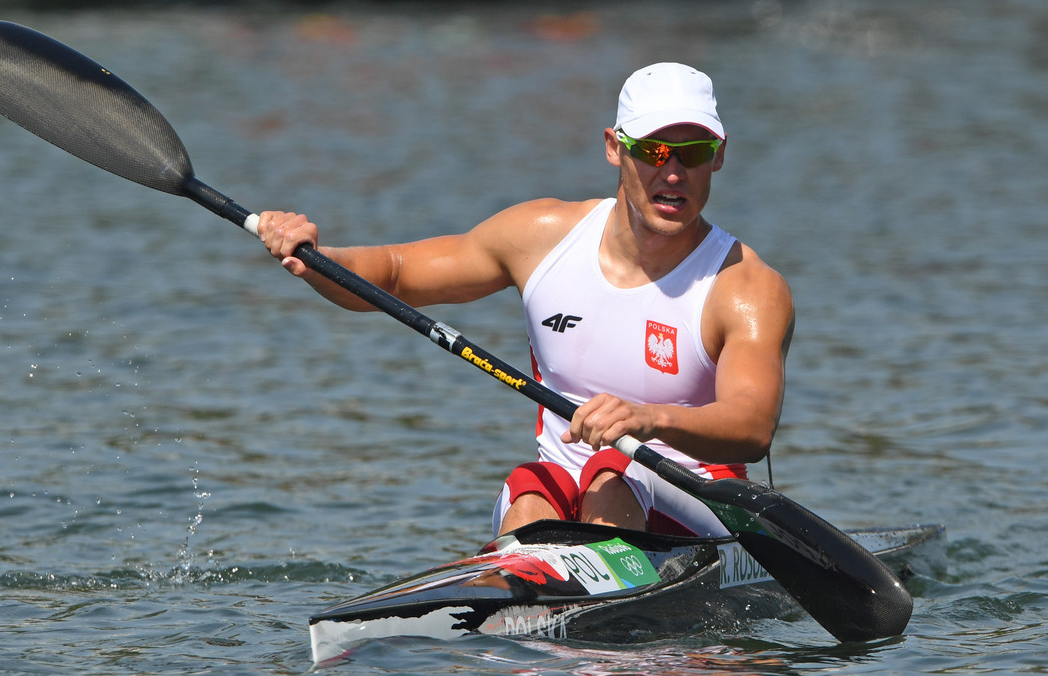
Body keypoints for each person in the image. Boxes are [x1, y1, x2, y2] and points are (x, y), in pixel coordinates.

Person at [258, 62, 794, 538]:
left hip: (699, 500)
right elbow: (393, 275)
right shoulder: (541, 237)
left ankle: (589, 604)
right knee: (530, 491)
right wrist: (313, 257)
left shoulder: (745, 286)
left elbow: (752, 427)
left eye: (693, 153)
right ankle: (521, 610)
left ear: (718, 156)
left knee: (612, 473)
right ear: (614, 147)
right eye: (653, 151)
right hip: (562, 496)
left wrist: (649, 419)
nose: (672, 172)